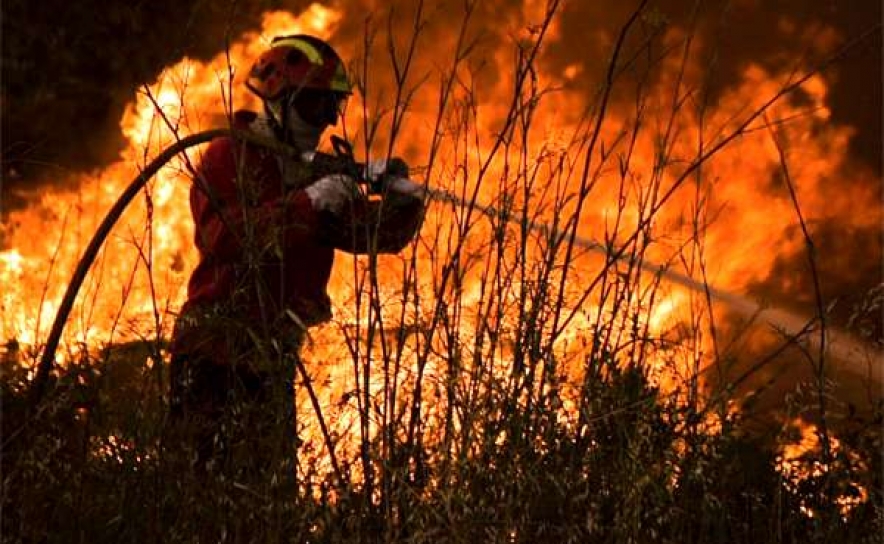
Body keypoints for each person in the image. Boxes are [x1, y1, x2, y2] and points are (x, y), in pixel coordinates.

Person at [168, 34, 425, 479]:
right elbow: (223, 239)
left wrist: (406, 200)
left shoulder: (313, 173)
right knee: (206, 498)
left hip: (271, 360)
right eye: (314, 105)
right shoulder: (230, 153)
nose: (325, 120)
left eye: (333, 107)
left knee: (270, 499)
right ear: (278, 100)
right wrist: (307, 202)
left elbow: (371, 235)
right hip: (213, 355)